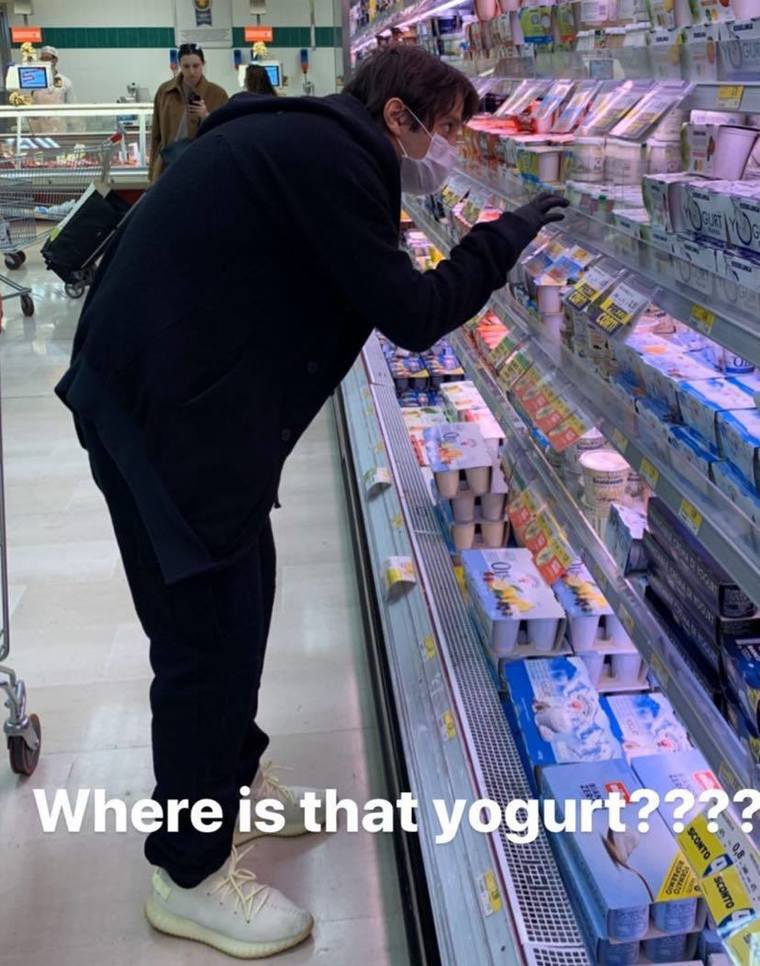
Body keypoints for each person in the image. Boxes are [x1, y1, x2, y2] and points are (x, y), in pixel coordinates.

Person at [55, 44, 566, 960]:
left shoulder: (314, 139)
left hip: (187, 402)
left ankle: (236, 776)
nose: (451, 149)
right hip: (163, 420)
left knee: (246, 596)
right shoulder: (335, 163)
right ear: (398, 116)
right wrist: (503, 235)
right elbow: (414, 315)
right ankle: (188, 874)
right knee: (204, 644)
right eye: (447, 130)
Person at [149, 42, 228, 181]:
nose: (191, 72)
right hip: (169, 164)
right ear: (179, 65)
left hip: (203, 166)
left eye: (196, 66)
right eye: (186, 66)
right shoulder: (165, 91)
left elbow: (225, 134)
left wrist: (206, 116)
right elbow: (156, 134)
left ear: (203, 64)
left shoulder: (218, 94)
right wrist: (152, 171)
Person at [29, 45, 75, 134]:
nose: (45, 61)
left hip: (59, 126)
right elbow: (31, 103)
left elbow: (71, 104)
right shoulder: (34, 80)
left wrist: (74, 126)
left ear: (55, 60)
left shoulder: (65, 81)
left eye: (48, 58)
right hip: (39, 127)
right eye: (42, 59)